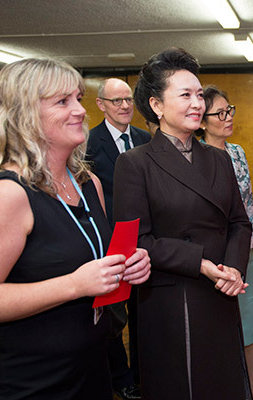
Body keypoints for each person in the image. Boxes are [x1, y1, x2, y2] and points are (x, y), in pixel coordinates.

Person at [0, 58, 151, 399]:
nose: (80, 111)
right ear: (23, 115)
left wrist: (127, 265)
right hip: (31, 381)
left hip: (92, 368)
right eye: (62, 101)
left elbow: (92, 260)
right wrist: (73, 285)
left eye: (77, 98)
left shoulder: (88, 184)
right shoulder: (7, 193)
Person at [113, 48, 253, 399]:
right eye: (185, 95)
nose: (197, 104)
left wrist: (234, 268)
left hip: (221, 289)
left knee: (223, 382)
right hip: (172, 296)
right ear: (157, 105)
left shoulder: (218, 159)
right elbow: (137, 241)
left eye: (200, 95)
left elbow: (239, 222)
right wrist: (201, 263)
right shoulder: (135, 163)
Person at [196, 85, 253, 400]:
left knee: (251, 324)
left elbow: (247, 205)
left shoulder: (238, 153)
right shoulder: (194, 158)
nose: (228, 118)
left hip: (241, 250)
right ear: (202, 121)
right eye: (220, 113)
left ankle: (250, 388)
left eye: (230, 111)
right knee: (213, 326)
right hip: (210, 255)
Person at [86, 77, 151, 400]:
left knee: (142, 313)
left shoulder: (144, 138)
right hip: (108, 244)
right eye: (117, 101)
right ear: (101, 104)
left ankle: (141, 376)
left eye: (128, 100)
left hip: (142, 241)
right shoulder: (88, 143)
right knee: (112, 318)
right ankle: (120, 378)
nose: (125, 106)